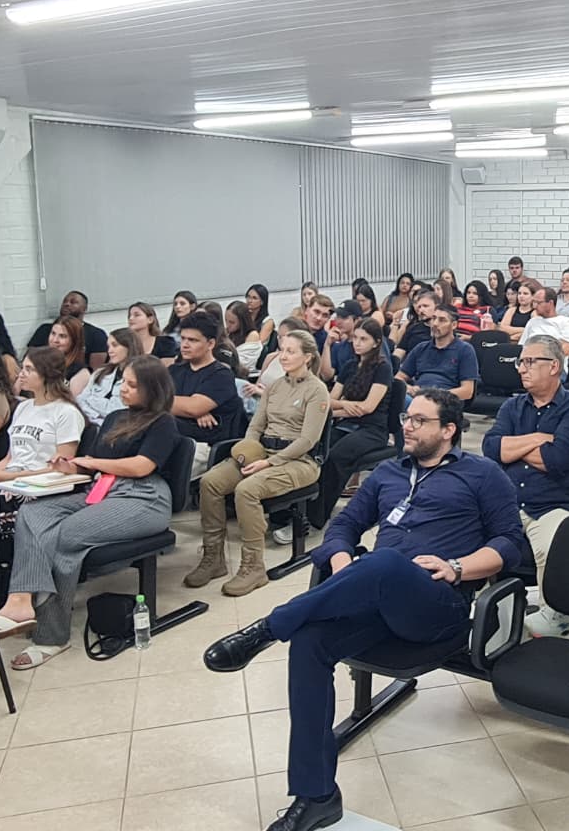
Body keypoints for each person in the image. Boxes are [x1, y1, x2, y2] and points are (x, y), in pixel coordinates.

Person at [201, 390, 526, 831]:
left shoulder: (482, 475)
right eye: (407, 417)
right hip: (377, 600)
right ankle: (317, 796)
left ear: (448, 430)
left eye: (420, 420)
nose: (407, 425)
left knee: (385, 562)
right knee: (310, 641)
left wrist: (458, 567)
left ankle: (268, 628)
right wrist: (341, 561)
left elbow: (509, 542)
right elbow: (345, 525)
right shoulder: (389, 472)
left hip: (439, 605)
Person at [0, 356, 181, 669]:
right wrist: (71, 466)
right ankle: (21, 600)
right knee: (34, 514)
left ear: (153, 389)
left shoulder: (163, 422)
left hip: (143, 498)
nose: (123, 389)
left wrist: (92, 463)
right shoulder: (115, 418)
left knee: (66, 536)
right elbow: (90, 464)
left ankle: (51, 636)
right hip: (101, 488)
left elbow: (141, 466)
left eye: (132, 385)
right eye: (123, 381)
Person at [188, 330, 330, 594]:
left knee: (247, 490)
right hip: (263, 451)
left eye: (290, 351)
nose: (283, 356)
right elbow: (255, 427)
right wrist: (249, 452)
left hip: (300, 461)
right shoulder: (274, 386)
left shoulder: (317, 390)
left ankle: (253, 567)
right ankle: (213, 557)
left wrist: (269, 463)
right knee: (210, 482)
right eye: (281, 349)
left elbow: (308, 440)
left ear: (308, 357)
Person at [483, 334, 569, 637]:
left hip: (553, 503)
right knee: (460, 530)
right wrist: (538, 438)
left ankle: (559, 616)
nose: (521, 368)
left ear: (554, 366)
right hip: (506, 501)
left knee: (550, 547)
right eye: (521, 362)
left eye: (530, 361)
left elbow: (556, 459)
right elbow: (491, 448)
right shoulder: (512, 406)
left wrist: (513, 447)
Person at [306, 319, 393, 531]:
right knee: (315, 450)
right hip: (346, 423)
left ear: (376, 342)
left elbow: (368, 407)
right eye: (355, 338)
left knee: (336, 457)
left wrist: (338, 409)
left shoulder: (383, 368)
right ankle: (303, 507)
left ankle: (317, 517)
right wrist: (344, 406)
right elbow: (329, 401)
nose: (357, 343)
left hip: (372, 429)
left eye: (364, 339)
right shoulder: (349, 366)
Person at [0, 347, 84, 487]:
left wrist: (8, 477)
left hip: (38, 483)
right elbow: (10, 458)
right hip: (9, 477)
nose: (21, 374)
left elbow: (61, 468)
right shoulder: (23, 407)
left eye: (29, 369)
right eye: (22, 368)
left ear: (47, 374)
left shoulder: (67, 412)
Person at [168, 312, 243, 473]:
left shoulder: (221, 375)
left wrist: (192, 409)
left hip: (203, 445)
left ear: (210, 344)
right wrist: (189, 409)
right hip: (171, 435)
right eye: (183, 339)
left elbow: (193, 407)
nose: (185, 345)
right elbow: (149, 402)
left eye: (193, 340)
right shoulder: (174, 371)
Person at [397, 305, 479, 402]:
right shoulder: (421, 348)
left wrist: (432, 395)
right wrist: (408, 388)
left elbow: (467, 391)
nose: (435, 324)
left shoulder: (465, 350)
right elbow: (399, 377)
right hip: (417, 397)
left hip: (445, 401)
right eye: (433, 318)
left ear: (454, 325)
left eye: (442, 320)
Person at [27, 290, 108, 369]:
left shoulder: (97, 335)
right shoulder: (44, 329)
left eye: (73, 302)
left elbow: (96, 371)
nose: (67, 304)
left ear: (84, 308)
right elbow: (29, 357)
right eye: (65, 301)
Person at [75, 327, 136, 426]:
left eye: (115, 345)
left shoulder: (138, 377)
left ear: (129, 346)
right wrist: (96, 415)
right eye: (108, 346)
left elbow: (117, 410)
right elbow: (80, 399)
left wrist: (92, 400)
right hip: (91, 423)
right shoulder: (100, 372)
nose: (110, 351)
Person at [520, 287, 569, 370]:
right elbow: (522, 346)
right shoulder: (532, 322)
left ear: (550, 303)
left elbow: (566, 350)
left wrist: (538, 354)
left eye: (538, 303)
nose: (535, 306)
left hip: (553, 368)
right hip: (529, 366)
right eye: (534, 302)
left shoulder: (567, 322)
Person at [46, 316, 91, 395]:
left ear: (74, 341)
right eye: (53, 333)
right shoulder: (40, 361)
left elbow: (72, 401)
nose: (55, 340)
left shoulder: (81, 373)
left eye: (62, 336)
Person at [391, 290, 436, 363]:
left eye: (425, 306)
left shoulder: (445, 329)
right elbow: (400, 351)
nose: (421, 310)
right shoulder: (413, 328)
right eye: (419, 307)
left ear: (437, 306)